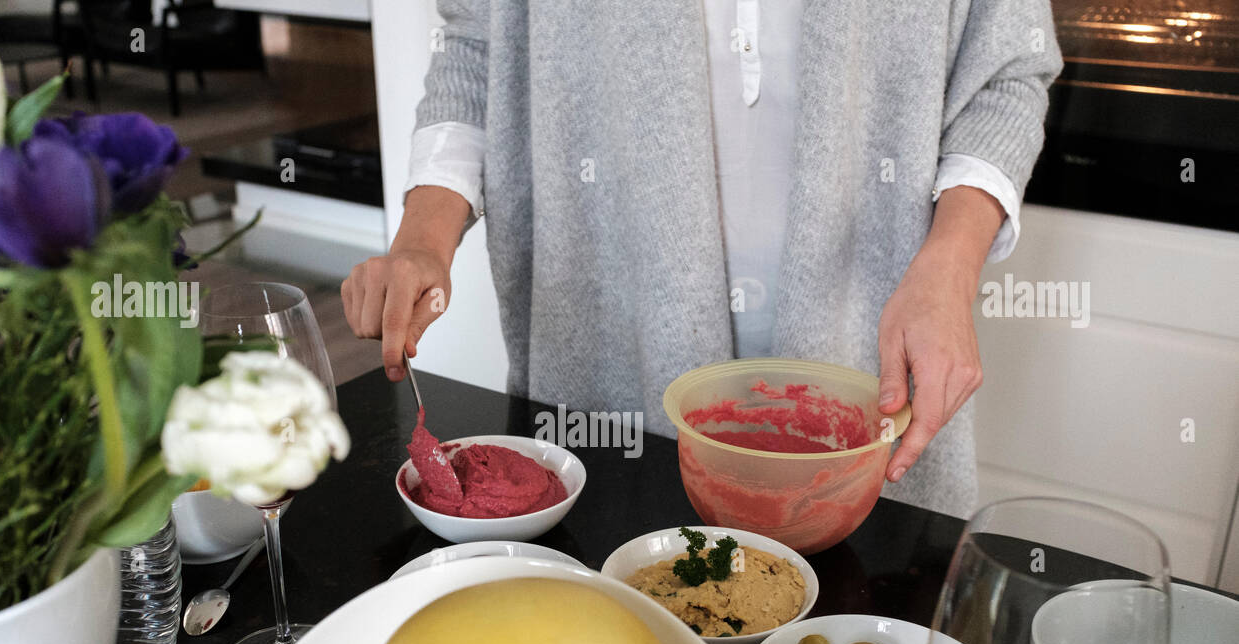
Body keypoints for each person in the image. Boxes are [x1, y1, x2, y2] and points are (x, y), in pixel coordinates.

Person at [342, 1, 1063, 517]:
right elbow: (478, 44)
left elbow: (1007, 71)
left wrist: (951, 261)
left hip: (868, 374)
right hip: (611, 374)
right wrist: (422, 237)